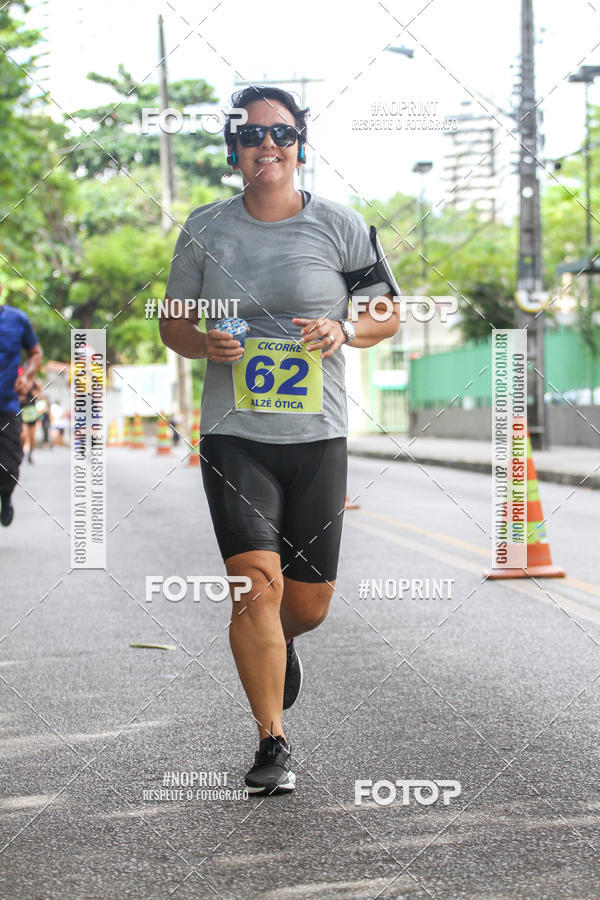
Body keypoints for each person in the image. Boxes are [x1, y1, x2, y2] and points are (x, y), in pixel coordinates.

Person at [159, 86, 400, 796]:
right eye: (252, 134)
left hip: (318, 435)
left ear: (300, 144)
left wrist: (345, 330)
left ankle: (282, 643)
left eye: (283, 133)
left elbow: (386, 312)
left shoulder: (340, 225)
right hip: (236, 436)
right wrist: (202, 343)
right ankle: (273, 741)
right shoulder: (205, 229)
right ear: (233, 149)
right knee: (253, 590)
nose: (269, 145)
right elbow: (171, 325)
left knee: (306, 605)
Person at [0, 296, 43, 526]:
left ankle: (5, 496)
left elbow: (35, 353)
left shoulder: (17, 320)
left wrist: (26, 376)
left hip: (7, 404)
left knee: (9, 465)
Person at [19, 378, 44, 464]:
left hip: (33, 412)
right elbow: (18, 396)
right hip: (23, 411)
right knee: (24, 435)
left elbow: (41, 397)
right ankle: (21, 454)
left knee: (32, 437)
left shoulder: (35, 383)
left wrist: (37, 394)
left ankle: (30, 455)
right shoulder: (22, 382)